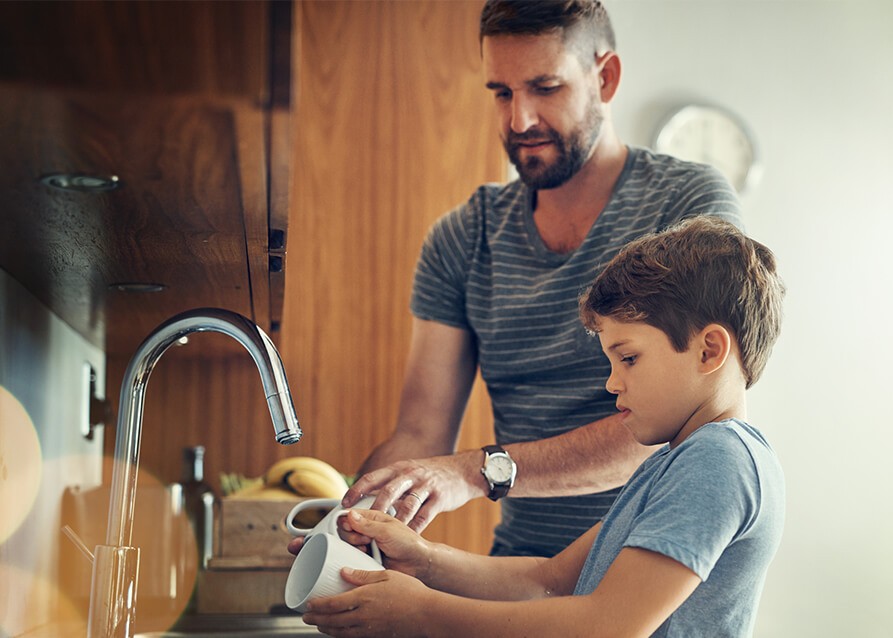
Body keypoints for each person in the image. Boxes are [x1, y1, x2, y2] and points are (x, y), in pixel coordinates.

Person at [337, 0, 743, 558]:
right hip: (517, 581)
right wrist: (345, 524)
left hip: (659, 580)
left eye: (545, 87)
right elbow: (421, 436)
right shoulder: (462, 238)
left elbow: (686, 417)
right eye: (501, 92)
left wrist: (481, 472)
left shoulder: (688, 206)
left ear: (605, 77)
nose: (519, 120)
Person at [301, 215, 786, 637]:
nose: (612, 383)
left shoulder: (720, 461)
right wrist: (422, 560)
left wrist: (425, 613)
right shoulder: (674, 464)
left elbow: (605, 627)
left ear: (709, 350)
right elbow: (547, 580)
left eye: (629, 358)